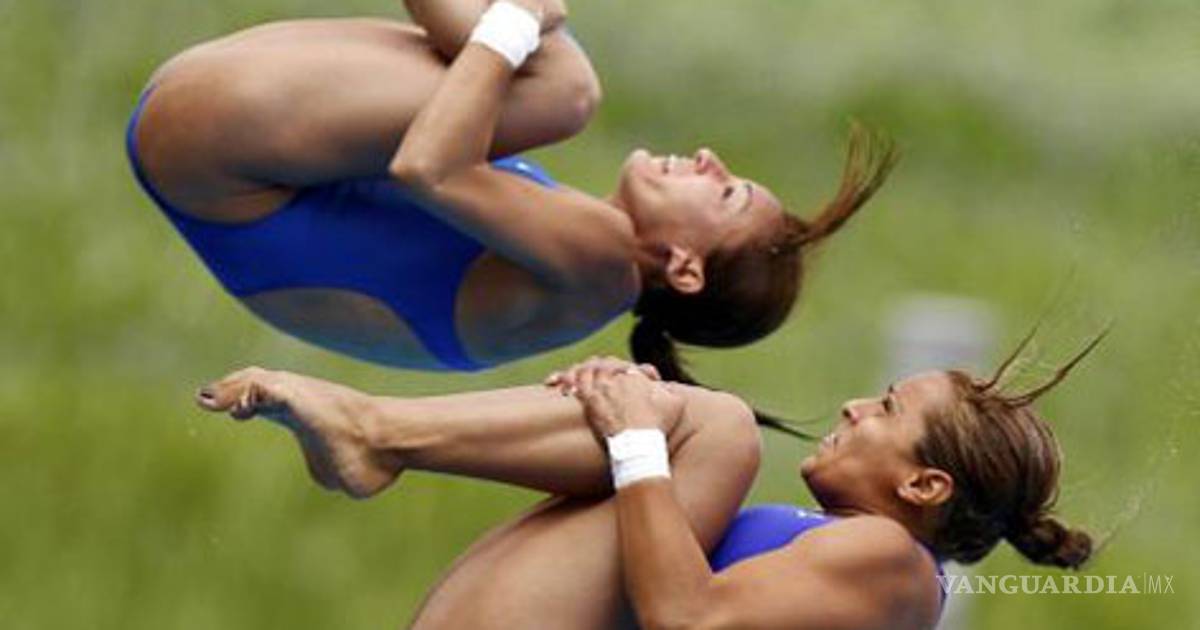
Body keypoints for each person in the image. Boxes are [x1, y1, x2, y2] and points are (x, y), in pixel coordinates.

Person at [126, 0, 897, 378]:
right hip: (207, 146)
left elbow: (427, 167)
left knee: (561, 89)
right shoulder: (582, 271)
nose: (708, 158)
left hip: (219, 148)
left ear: (685, 268)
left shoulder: (602, 261)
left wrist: (515, 24)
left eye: (725, 193)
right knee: (530, 64)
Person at [195, 331, 1101, 629]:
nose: (857, 405)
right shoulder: (829, 549)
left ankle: (376, 433)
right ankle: (374, 435)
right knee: (700, 424)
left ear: (925, 488)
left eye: (889, 408)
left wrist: (638, 442)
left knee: (719, 427)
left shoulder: (896, 567)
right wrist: (620, 413)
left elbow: (688, 619)